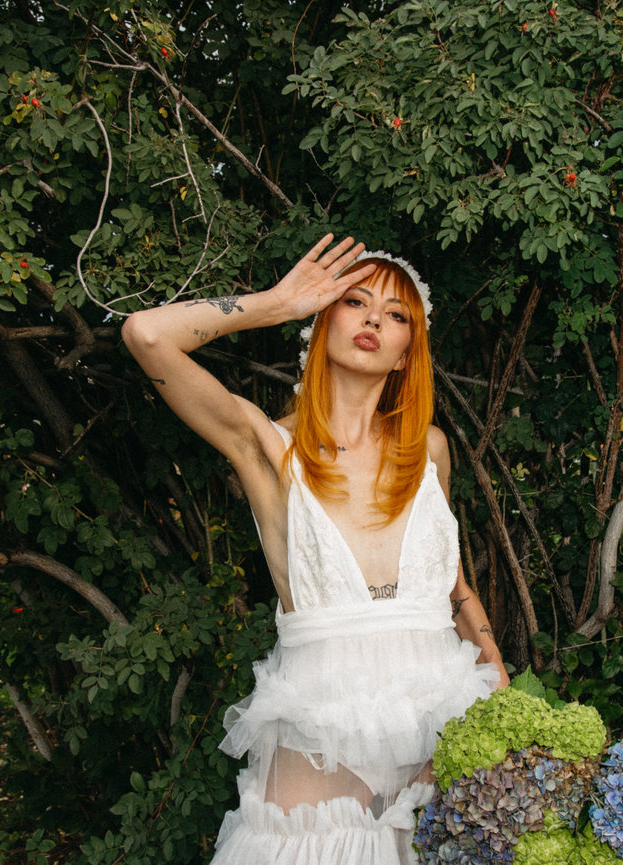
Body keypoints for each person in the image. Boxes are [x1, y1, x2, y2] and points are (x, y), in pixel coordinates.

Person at [122, 234, 508, 864]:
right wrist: (277, 302)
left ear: (409, 350)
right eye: (355, 302)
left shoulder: (429, 449)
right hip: (323, 719)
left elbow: (452, 586)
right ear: (321, 321)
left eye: (396, 313)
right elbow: (144, 334)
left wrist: (495, 669)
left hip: (443, 712)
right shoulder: (267, 445)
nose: (375, 318)